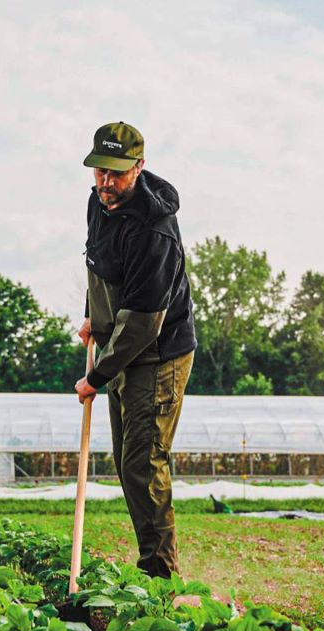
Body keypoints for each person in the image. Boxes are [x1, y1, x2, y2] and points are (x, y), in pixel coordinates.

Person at [74, 121, 197, 579]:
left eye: (117, 174)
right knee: (129, 466)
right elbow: (99, 268)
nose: (106, 183)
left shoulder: (155, 231)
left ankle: (160, 578)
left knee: (143, 464)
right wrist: (93, 316)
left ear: (139, 168)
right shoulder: (98, 203)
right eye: (100, 172)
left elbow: (144, 322)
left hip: (158, 354)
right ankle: (152, 568)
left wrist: (96, 378)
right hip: (121, 345)